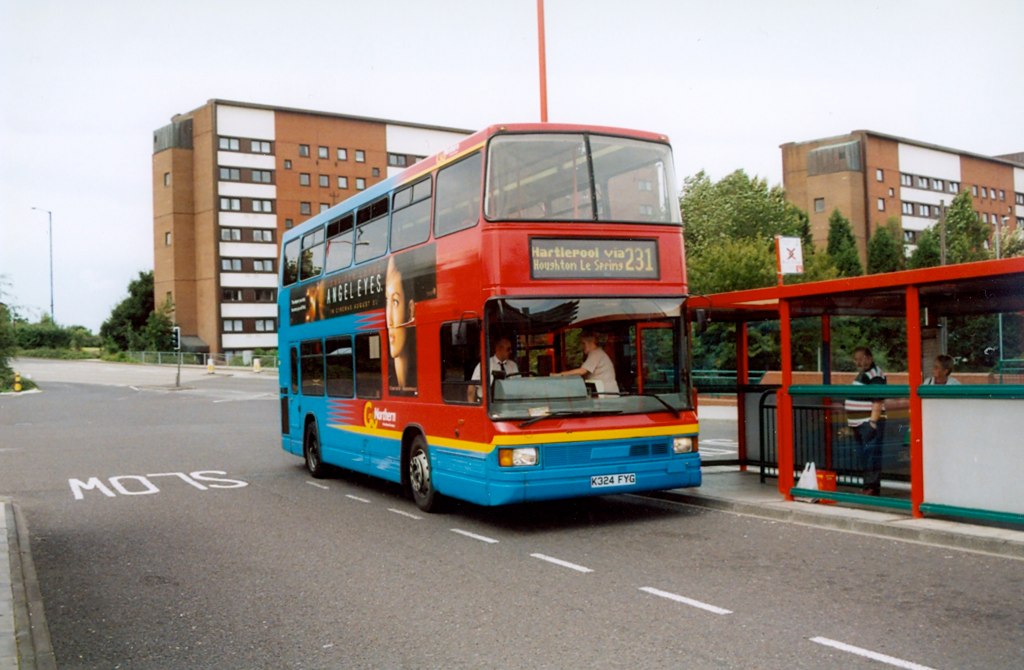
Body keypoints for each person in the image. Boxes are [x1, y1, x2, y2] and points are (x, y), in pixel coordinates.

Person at [845, 346, 886, 496]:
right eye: (856, 360)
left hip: (868, 421)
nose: (858, 363)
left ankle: (871, 487)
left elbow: (878, 399)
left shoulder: (875, 375)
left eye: (861, 359)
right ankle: (868, 486)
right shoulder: (864, 374)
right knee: (865, 455)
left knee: (871, 455)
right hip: (860, 422)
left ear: (869, 358)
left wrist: (872, 421)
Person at [385, 254, 417, 393]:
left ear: (410, 310)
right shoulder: (386, 380)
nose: (389, 320)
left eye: (395, 302)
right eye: (387, 300)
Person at [553, 332, 619, 395]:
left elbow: (582, 371)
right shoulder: (596, 353)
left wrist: (561, 374)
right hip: (604, 393)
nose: (582, 346)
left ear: (590, 343)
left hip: (606, 394)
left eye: (583, 343)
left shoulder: (595, 354)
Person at [469, 336, 520, 401]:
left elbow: (519, 384)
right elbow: (472, 386)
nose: (511, 351)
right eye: (508, 349)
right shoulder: (484, 364)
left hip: (509, 401)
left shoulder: (513, 365)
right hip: (488, 402)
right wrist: (472, 405)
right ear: (499, 349)